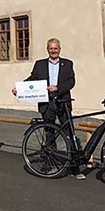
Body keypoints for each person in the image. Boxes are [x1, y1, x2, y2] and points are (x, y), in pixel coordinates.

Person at [12, 38, 85, 180]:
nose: (53, 51)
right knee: (49, 132)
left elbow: (71, 81)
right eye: (51, 48)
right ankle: (49, 162)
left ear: (60, 49)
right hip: (47, 102)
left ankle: (74, 167)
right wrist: (20, 89)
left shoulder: (68, 64)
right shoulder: (40, 65)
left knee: (69, 133)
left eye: (55, 48)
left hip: (63, 101)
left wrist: (58, 88)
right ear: (47, 49)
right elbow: (33, 79)